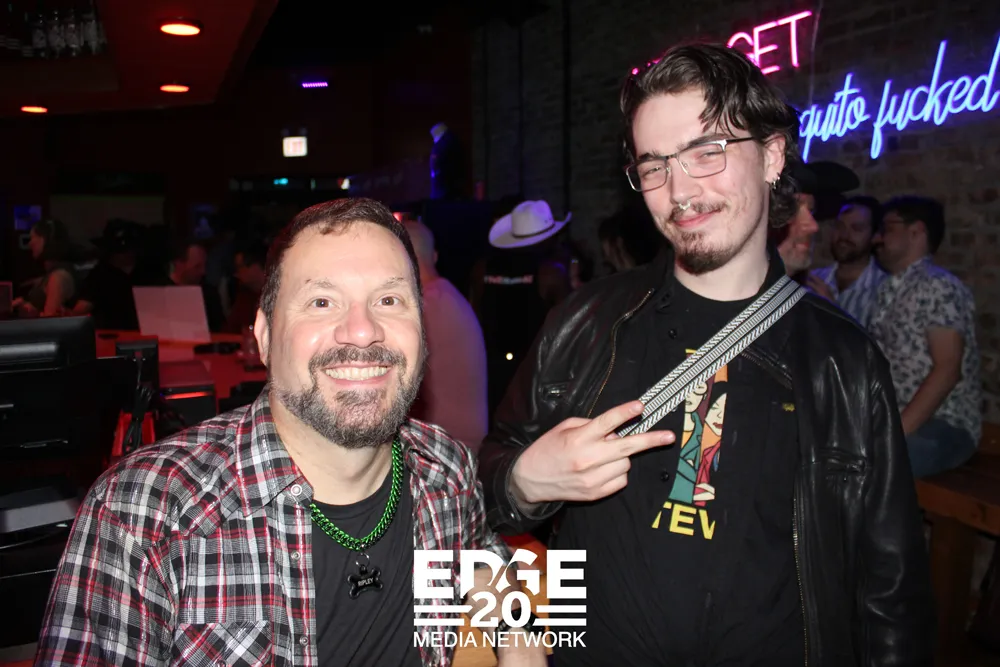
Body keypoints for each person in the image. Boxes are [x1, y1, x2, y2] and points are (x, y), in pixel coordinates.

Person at [478, 43, 933, 666]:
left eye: (707, 151)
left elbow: (891, 593)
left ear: (772, 156)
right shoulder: (584, 323)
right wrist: (524, 484)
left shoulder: (844, 361)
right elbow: (468, 494)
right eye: (654, 165)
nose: (680, 190)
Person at [36, 198, 544, 667]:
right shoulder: (143, 513)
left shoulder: (445, 469)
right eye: (322, 302)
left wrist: (518, 635)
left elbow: (483, 551)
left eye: (389, 300)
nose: (363, 330)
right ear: (263, 336)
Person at [871, 195, 981, 478]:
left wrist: (894, 434)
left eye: (887, 228)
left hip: (943, 424)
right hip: (895, 418)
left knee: (873, 467)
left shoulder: (938, 286)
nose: (877, 238)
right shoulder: (887, 289)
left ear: (916, 231)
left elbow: (947, 370)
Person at [470, 199, 572, 415]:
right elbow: (568, 328)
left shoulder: (482, 269)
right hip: (536, 372)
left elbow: (473, 318)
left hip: (491, 368)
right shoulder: (551, 274)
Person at [403, 219, 489, 453]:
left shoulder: (425, 306)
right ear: (434, 256)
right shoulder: (447, 296)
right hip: (458, 443)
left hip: (443, 449)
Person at [808, 196, 888, 328]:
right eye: (839, 226)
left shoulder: (885, 289)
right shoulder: (813, 280)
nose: (844, 236)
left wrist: (834, 311)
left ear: (875, 236)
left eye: (856, 229)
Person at [71, 218, 145, 330]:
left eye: (126, 249)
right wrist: (69, 315)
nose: (125, 254)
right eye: (119, 251)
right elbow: (83, 306)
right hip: (109, 334)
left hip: (145, 333)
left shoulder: (148, 272)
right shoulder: (100, 274)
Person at [15, 219, 75, 317]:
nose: (30, 244)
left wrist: (32, 312)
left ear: (45, 240)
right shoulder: (51, 275)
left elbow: (51, 319)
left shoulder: (58, 277)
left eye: (33, 238)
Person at [224, 239, 268, 333]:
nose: (236, 273)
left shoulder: (276, 296)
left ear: (256, 266)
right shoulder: (244, 296)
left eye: (240, 267)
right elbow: (230, 331)